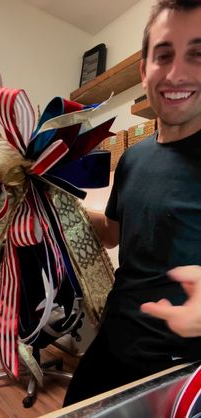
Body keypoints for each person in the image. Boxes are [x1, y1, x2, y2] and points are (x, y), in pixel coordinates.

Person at [63, 0, 201, 406]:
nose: (176, 72)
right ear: (144, 72)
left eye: (197, 53)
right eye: (163, 55)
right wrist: (58, 210)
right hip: (115, 337)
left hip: (178, 366)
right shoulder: (133, 158)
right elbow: (111, 235)